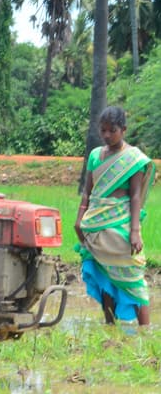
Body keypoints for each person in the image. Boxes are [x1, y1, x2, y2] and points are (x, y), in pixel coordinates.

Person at [74, 106, 155, 326]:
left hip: (120, 223)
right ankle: (110, 326)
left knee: (133, 277)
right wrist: (79, 219)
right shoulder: (94, 155)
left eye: (113, 130)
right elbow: (88, 192)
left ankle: (145, 332)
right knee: (103, 275)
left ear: (123, 130)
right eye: (103, 131)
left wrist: (135, 231)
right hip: (95, 224)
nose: (107, 135)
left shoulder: (133, 159)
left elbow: (136, 195)